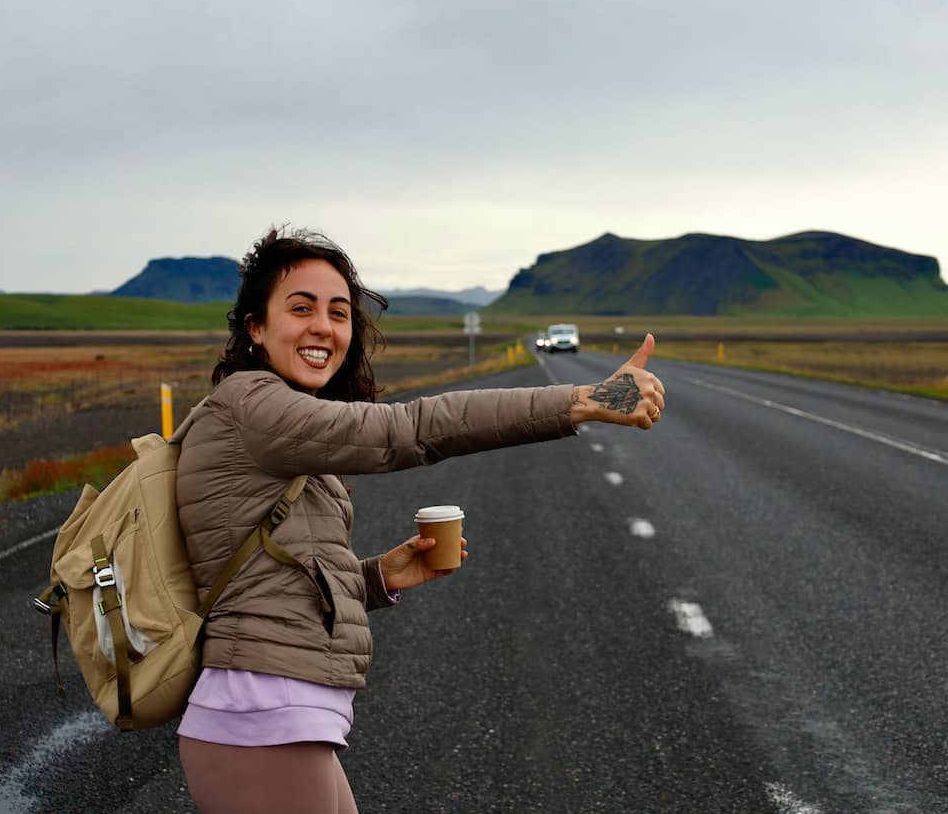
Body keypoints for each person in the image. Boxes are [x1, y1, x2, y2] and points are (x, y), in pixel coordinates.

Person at [175, 228, 665, 813]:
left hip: (281, 714)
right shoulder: (250, 404)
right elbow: (407, 429)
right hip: (261, 714)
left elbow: (268, 580)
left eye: (339, 313)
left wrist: (377, 577)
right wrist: (586, 400)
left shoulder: (272, 420)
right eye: (300, 308)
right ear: (255, 326)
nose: (324, 328)